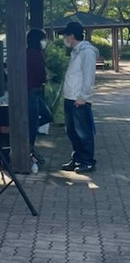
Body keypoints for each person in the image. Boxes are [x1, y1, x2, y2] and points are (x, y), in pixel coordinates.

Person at [60, 20, 98, 174]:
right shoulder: (75, 52)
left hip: (79, 99)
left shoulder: (86, 52)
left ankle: (88, 161)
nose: (65, 38)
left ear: (72, 36)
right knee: (72, 131)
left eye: (66, 35)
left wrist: (83, 97)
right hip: (70, 97)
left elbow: (89, 77)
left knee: (83, 132)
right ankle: (77, 158)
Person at [26, 28, 52, 172]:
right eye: (43, 39)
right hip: (32, 92)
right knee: (36, 122)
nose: (44, 42)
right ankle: (29, 154)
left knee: (40, 118)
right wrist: (45, 77)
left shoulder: (27, 52)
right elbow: (41, 75)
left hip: (33, 92)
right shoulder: (35, 54)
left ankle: (29, 146)